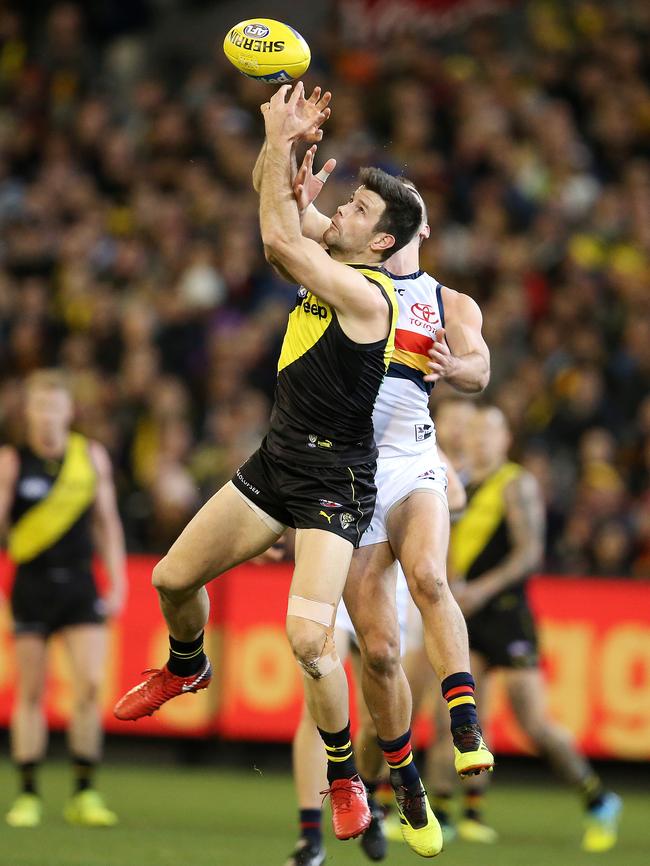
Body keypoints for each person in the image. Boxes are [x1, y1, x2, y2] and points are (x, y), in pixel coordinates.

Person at [112, 83, 423, 844]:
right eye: (344, 204)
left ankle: (345, 776)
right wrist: (277, 148)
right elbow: (275, 203)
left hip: (335, 483)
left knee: (310, 640)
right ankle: (188, 666)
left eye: (357, 212)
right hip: (278, 461)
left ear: (380, 244)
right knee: (170, 579)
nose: (341, 210)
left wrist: (278, 139)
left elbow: (280, 242)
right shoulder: (344, 248)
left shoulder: (368, 294)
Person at [275, 145, 493, 861]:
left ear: (405, 233)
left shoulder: (449, 302)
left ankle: (465, 727)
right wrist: (283, 162)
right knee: (380, 651)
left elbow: (479, 367)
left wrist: (457, 365)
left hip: (413, 463)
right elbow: (295, 220)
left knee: (430, 576)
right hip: (348, 479)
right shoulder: (344, 270)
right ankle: (405, 783)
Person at [428, 405, 622, 853]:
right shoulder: (461, 482)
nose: (477, 440)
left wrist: (480, 588)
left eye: (487, 433)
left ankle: (598, 798)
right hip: (468, 611)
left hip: (508, 612)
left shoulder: (515, 484)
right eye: (473, 433)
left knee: (532, 722)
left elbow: (530, 553)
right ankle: (441, 817)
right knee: (447, 719)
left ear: (505, 439)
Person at [285, 453, 467, 866]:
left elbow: (453, 496)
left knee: (375, 716)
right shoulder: (336, 424)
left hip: (384, 578)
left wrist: (416, 504)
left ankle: (366, 790)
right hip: (331, 560)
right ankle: (310, 836)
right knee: (314, 702)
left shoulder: (412, 439)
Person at [0, 369, 126, 828]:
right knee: (31, 691)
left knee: (90, 686)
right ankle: (28, 793)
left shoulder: (89, 457)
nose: (48, 416)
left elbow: (107, 524)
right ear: (28, 412)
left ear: (69, 412)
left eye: (55, 406)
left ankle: (84, 791)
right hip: (31, 586)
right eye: (40, 406)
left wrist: (117, 580)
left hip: (79, 585)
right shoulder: (12, 461)